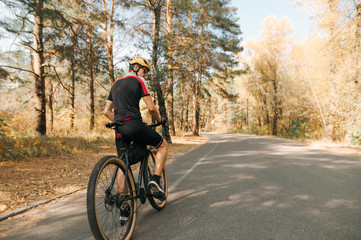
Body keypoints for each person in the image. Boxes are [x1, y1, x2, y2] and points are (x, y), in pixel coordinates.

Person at [104, 56, 168, 220]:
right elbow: (151, 107)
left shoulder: (115, 84)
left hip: (119, 128)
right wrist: (160, 120)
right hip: (134, 124)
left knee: (122, 163)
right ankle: (154, 180)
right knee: (162, 146)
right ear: (137, 68)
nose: (145, 75)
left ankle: (125, 207)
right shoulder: (138, 81)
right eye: (145, 71)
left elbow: (106, 112)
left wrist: (120, 122)